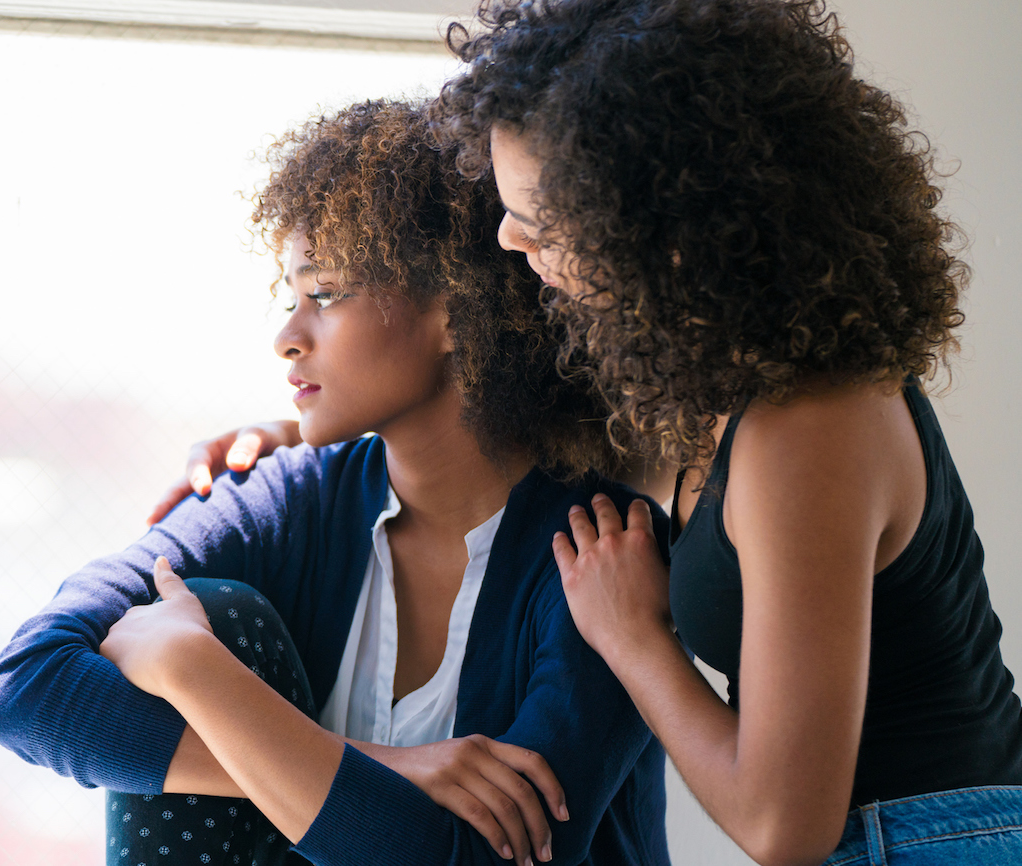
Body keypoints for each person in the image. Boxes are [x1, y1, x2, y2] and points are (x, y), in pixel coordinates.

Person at [0, 100, 670, 866]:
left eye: (327, 293)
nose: (287, 337)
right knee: (217, 611)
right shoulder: (285, 499)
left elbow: (497, 857)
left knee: (200, 634)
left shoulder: (608, 550)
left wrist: (196, 673)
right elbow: (27, 687)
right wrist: (386, 764)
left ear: (454, 308)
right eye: (291, 299)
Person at [425, 1, 1022, 864]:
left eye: (542, 221)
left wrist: (635, 639)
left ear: (668, 235)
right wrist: (298, 443)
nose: (508, 237)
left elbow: (784, 827)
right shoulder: (703, 388)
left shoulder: (808, 426)